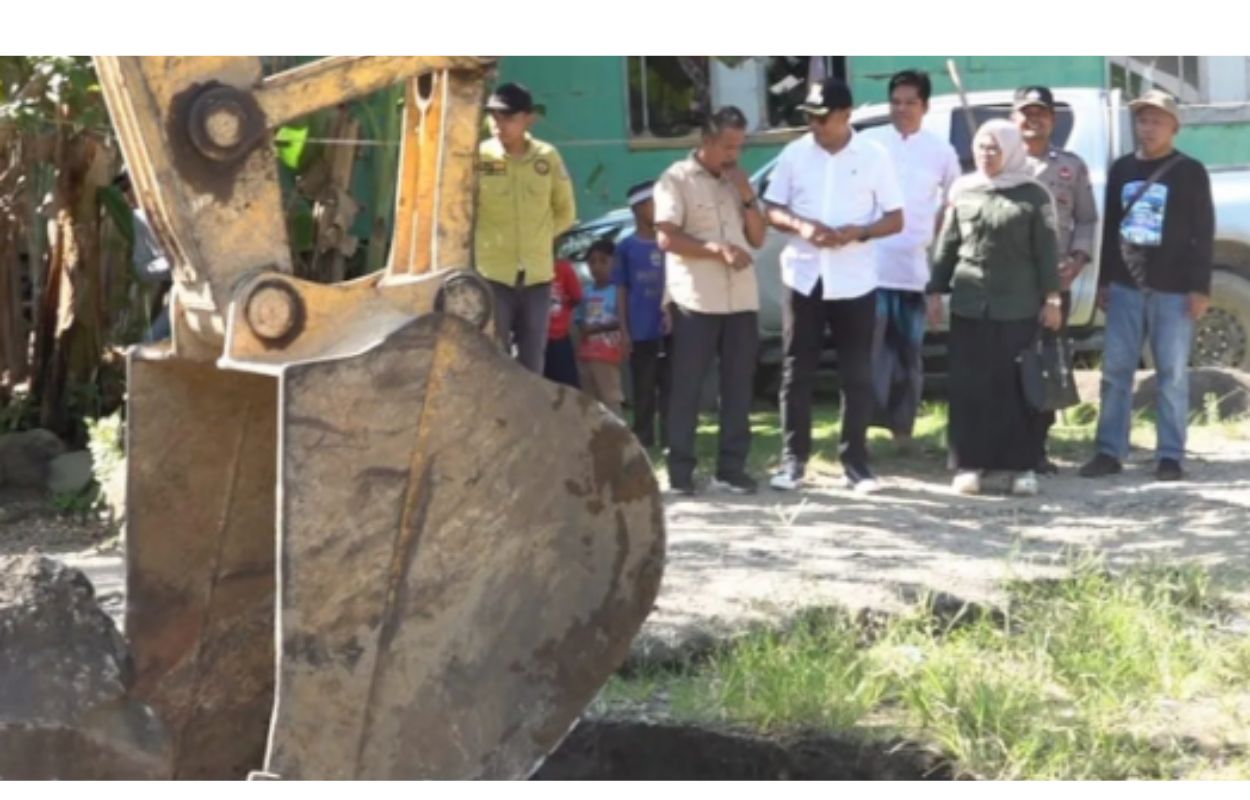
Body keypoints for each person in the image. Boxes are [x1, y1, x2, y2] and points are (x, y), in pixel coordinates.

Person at [762, 77, 904, 493]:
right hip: (804, 276)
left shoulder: (874, 156)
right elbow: (772, 208)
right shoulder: (795, 153)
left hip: (854, 279)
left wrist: (859, 232)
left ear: (845, 115)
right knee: (797, 371)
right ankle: (793, 461)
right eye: (810, 117)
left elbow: (896, 218)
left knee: (856, 374)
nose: (815, 125)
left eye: (822, 118)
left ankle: (856, 464)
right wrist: (801, 225)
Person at [1079, 89, 1215, 483]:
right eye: (1142, 120)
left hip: (1174, 289)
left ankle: (1170, 455)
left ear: (1174, 127)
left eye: (1157, 120)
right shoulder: (1122, 169)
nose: (1148, 127)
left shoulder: (1190, 171)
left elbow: (1203, 232)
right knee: (1116, 372)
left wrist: (1200, 287)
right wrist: (1104, 281)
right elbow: (1111, 229)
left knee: (1171, 374)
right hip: (1125, 286)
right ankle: (1109, 451)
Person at [926, 119, 1062, 496]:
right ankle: (970, 464)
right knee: (970, 386)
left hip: (1017, 305)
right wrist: (934, 292)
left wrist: (1052, 298)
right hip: (970, 305)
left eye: (995, 148)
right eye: (981, 147)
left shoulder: (1033, 195)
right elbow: (948, 244)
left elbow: (1046, 252)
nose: (986, 155)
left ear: (1012, 150)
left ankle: (1022, 467)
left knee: (1016, 387)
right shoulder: (964, 190)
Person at [654, 105, 767, 496]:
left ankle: (731, 469)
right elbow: (666, 237)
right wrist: (716, 250)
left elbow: (758, 238)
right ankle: (680, 472)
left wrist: (748, 196)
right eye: (727, 146)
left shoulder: (738, 182)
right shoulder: (676, 178)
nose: (734, 155)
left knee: (738, 386)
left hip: (741, 298)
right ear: (706, 141)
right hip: (696, 299)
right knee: (687, 387)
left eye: (739, 146)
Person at [861, 70, 961, 450]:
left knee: (908, 354)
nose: (902, 109)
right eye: (896, 102)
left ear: (925, 106)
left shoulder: (940, 151)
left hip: (913, 269)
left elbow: (954, 201)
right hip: (869, 267)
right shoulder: (869, 143)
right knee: (868, 354)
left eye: (910, 103)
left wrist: (935, 235)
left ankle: (903, 432)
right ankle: (860, 432)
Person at [1012, 85, 1099, 474]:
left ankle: (1038, 448)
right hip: (1011, 284)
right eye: (1026, 113)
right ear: (1014, 118)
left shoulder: (1071, 166)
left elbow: (1087, 219)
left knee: (1047, 363)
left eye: (1041, 113)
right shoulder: (1003, 163)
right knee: (1011, 363)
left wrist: (1078, 260)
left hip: (1053, 285)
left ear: (1053, 119)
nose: (1034, 119)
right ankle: (1010, 446)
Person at [474, 82, 577, 373]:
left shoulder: (547, 157)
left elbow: (566, 212)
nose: (499, 124)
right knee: (494, 360)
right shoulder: (478, 158)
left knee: (532, 361)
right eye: (493, 116)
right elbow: (462, 211)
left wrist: (539, 238)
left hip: (537, 277)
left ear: (528, 118)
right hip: (493, 275)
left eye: (508, 117)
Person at [614, 180, 671, 449]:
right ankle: (644, 439)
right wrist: (624, 330)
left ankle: (671, 437)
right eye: (653, 204)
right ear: (638, 208)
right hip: (641, 329)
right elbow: (622, 289)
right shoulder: (626, 247)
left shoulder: (669, 243)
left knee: (671, 385)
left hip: (669, 327)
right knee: (643, 387)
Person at [113, 171, 172, 342]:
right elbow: (142, 269)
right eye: (124, 191)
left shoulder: (165, 209)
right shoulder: (138, 217)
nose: (127, 196)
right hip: (178, 281)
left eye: (129, 188)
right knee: (151, 340)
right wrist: (171, 264)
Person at [576, 240, 625, 417]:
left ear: (614, 262)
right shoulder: (586, 292)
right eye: (592, 262)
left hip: (608, 353)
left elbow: (622, 320)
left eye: (603, 261)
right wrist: (584, 328)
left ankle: (618, 430)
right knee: (589, 400)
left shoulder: (618, 291)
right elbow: (580, 318)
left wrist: (598, 328)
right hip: (586, 353)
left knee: (610, 397)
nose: (597, 266)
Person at [544, 255, 583, 389]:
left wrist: (565, 308)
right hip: (538, 338)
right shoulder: (531, 269)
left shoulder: (564, 268)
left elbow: (577, 296)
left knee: (568, 386)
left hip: (559, 336)